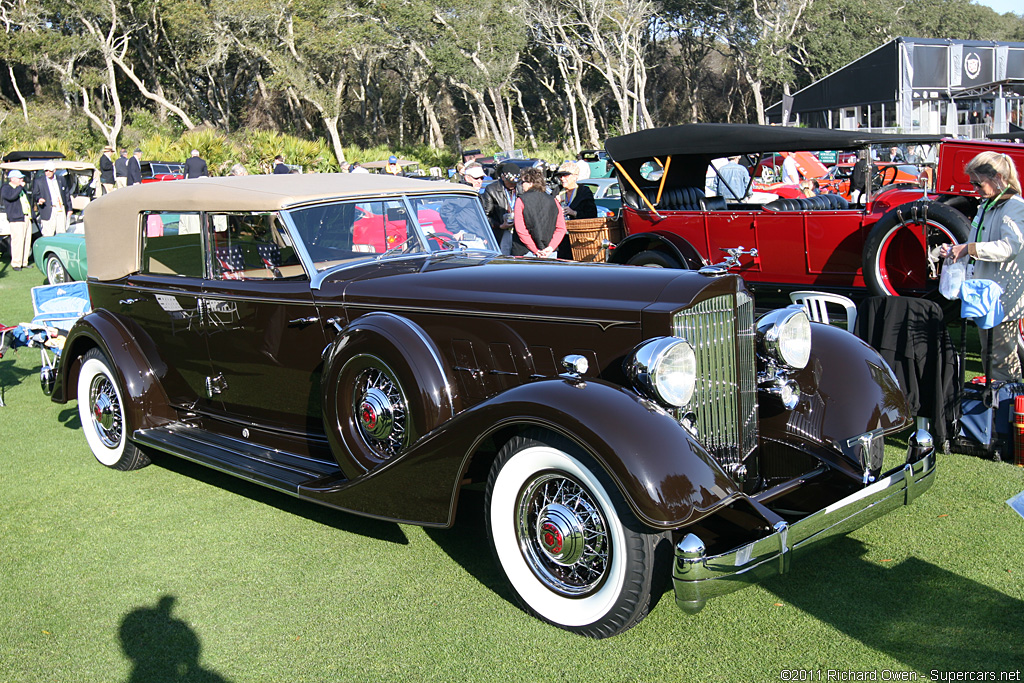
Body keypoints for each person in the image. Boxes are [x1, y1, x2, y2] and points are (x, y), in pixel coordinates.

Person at [939, 151, 1024, 381]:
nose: (975, 189)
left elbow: (1009, 248)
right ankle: (997, 409)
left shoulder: (1014, 207)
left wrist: (969, 249)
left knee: (1001, 360)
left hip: (1002, 299)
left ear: (997, 177)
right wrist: (958, 250)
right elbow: (978, 242)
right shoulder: (988, 204)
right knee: (989, 355)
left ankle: (1009, 411)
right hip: (985, 296)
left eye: (978, 183)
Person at [511, 167, 566, 258]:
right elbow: (561, 228)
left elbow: (521, 230)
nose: (521, 185)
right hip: (549, 253)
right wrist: (551, 247)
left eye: (522, 182)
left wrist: (535, 250)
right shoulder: (554, 201)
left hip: (525, 252)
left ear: (530, 183)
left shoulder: (521, 200)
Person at [481, 161, 520, 255]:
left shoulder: (521, 187)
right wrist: (499, 225)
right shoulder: (492, 189)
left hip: (519, 232)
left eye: (515, 182)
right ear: (502, 177)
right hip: (501, 232)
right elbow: (485, 215)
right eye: (510, 182)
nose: (513, 185)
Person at [2, 170, 32, 270]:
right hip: (16, 218)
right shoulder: (6, 188)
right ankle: (16, 263)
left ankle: (24, 261)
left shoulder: (21, 188)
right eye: (19, 178)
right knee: (17, 241)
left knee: (27, 240)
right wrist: (20, 187)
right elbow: (11, 197)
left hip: (26, 216)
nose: (21, 180)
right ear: (12, 179)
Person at [32, 162, 73, 236]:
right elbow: (35, 194)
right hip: (48, 209)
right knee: (48, 234)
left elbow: (66, 194)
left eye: (49, 171)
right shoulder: (39, 181)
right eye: (46, 171)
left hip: (60, 208)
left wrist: (69, 209)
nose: (47, 173)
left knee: (61, 233)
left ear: (54, 170)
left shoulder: (61, 179)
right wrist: (39, 199)